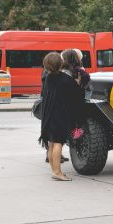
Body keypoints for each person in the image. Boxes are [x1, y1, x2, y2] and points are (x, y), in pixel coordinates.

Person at [38, 52, 85, 181]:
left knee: (52, 143)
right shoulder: (65, 79)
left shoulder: (47, 78)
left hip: (48, 115)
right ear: (60, 63)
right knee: (58, 142)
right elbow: (78, 94)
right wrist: (78, 82)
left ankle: (54, 170)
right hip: (59, 115)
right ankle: (58, 172)